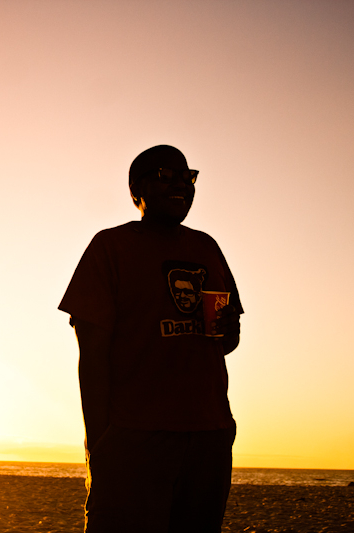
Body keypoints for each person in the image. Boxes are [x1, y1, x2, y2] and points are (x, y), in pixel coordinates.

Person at [59, 145, 244, 532]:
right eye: (165, 174)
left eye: (187, 176)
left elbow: (225, 342)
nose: (180, 183)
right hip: (135, 436)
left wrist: (231, 331)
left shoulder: (207, 247)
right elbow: (91, 354)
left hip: (207, 436)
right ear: (135, 191)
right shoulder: (110, 247)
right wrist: (100, 443)